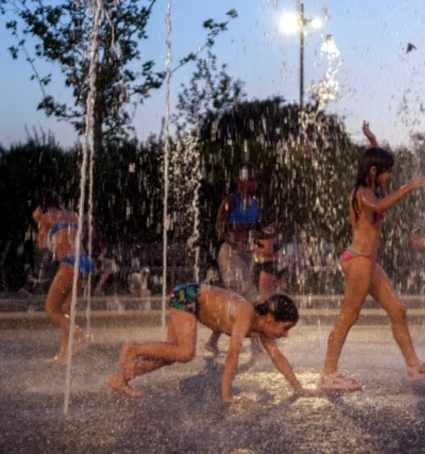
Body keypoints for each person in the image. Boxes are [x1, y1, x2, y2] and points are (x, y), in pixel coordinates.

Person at [318, 122, 425, 391]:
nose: (391, 178)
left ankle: (414, 365)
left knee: (398, 310)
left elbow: (375, 174)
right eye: (388, 173)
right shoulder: (363, 194)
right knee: (348, 316)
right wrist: (408, 187)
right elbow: (378, 205)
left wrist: (373, 142)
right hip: (359, 261)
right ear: (374, 172)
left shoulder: (369, 187)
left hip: (368, 261)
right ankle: (328, 373)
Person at [107, 283, 318, 402]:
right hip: (189, 296)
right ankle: (134, 349)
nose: (285, 335)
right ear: (271, 318)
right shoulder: (247, 315)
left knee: (170, 356)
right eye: (285, 328)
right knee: (185, 353)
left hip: (191, 299)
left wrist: (298, 387)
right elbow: (233, 355)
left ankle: (122, 378)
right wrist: (227, 396)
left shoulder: (261, 328)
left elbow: (277, 357)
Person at [205, 162, 278, 356]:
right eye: (249, 178)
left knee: (234, 301)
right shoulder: (231, 201)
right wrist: (238, 234)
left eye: (255, 179)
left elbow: (258, 230)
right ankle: (257, 344)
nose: (253, 183)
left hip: (245, 256)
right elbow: (219, 228)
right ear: (239, 181)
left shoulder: (255, 204)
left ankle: (212, 341)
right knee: (250, 297)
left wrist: (268, 230)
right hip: (230, 254)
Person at [32, 195, 90, 363]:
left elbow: (41, 247)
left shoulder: (47, 216)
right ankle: (63, 354)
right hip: (84, 262)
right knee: (64, 311)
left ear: (42, 207)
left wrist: (39, 222)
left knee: (51, 309)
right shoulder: (73, 214)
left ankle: (81, 335)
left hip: (69, 263)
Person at [251, 224, 286, 302]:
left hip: (268, 266)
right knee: (275, 297)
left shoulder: (267, 230)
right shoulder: (274, 229)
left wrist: (254, 248)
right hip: (274, 265)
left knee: (265, 299)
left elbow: (268, 250)